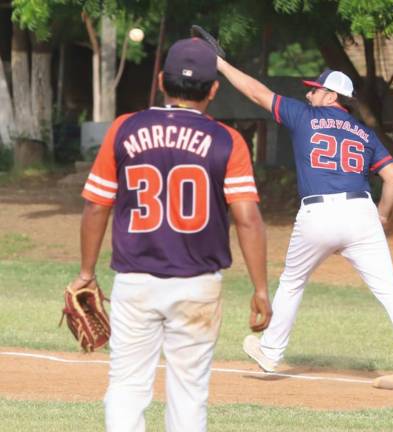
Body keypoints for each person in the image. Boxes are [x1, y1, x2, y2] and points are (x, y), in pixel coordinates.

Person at [69, 38, 272, 431]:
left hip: (136, 282)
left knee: (127, 386)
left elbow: (97, 205)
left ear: (162, 80)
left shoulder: (125, 128)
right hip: (198, 286)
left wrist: (85, 271)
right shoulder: (228, 141)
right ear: (214, 89)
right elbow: (248, 219)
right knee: (189, 392)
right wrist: (260, 288)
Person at [216, 60, 393, 376]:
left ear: (333, 96)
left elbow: (256, 92)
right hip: (361, 212)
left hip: (318, 213)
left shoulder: (304, 117)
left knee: (292, 282)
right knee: (390, 288)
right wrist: (382, 215)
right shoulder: (364, 132)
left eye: (316, 90)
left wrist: (220, 63)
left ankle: (272, 352)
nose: (310, 95)